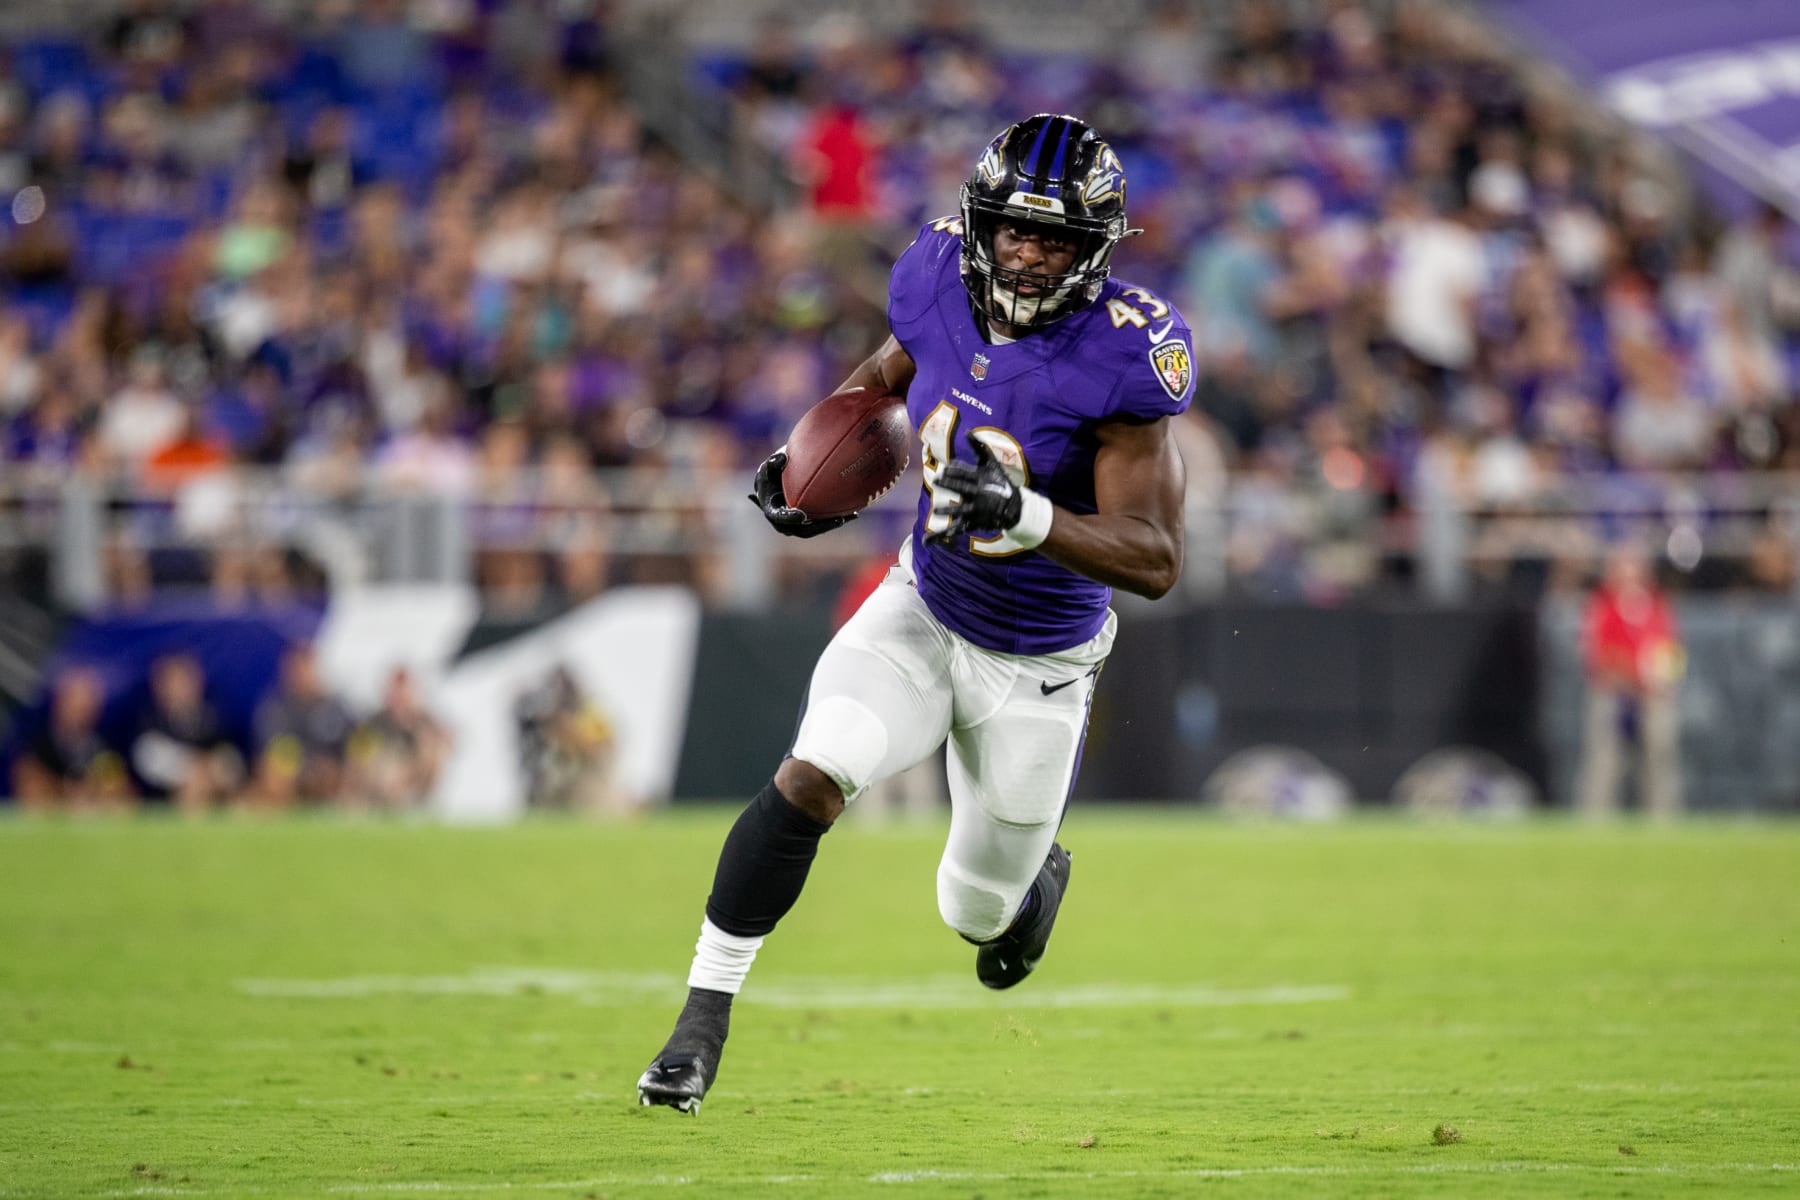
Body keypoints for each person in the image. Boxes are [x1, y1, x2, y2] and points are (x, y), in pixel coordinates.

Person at [638, 114, 1192, 1113]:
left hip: (1041, 666)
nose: (1026, 254)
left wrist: (1027, 516)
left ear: (1097, 248)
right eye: (1013, 231)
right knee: (814, 773)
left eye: (1054, 238)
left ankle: (1029, 886)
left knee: (975, 913)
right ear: (980, 222)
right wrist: (816, 461)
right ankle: (699, 1023)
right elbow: (889, 373)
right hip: (923, 609)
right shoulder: (936, 275)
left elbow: (1154, 559)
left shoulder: (1123, 357)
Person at [1576, 541, 1684, 817]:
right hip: (1614, 691)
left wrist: (1661, 678)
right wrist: (1623, 674)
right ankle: (1596, 817)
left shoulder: (1656, 601)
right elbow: (1596, 650)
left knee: (1659, 756)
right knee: (1606, 758)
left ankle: (1663, 817)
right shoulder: (1603, 603)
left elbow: (1670, 646)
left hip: (1651, 692)